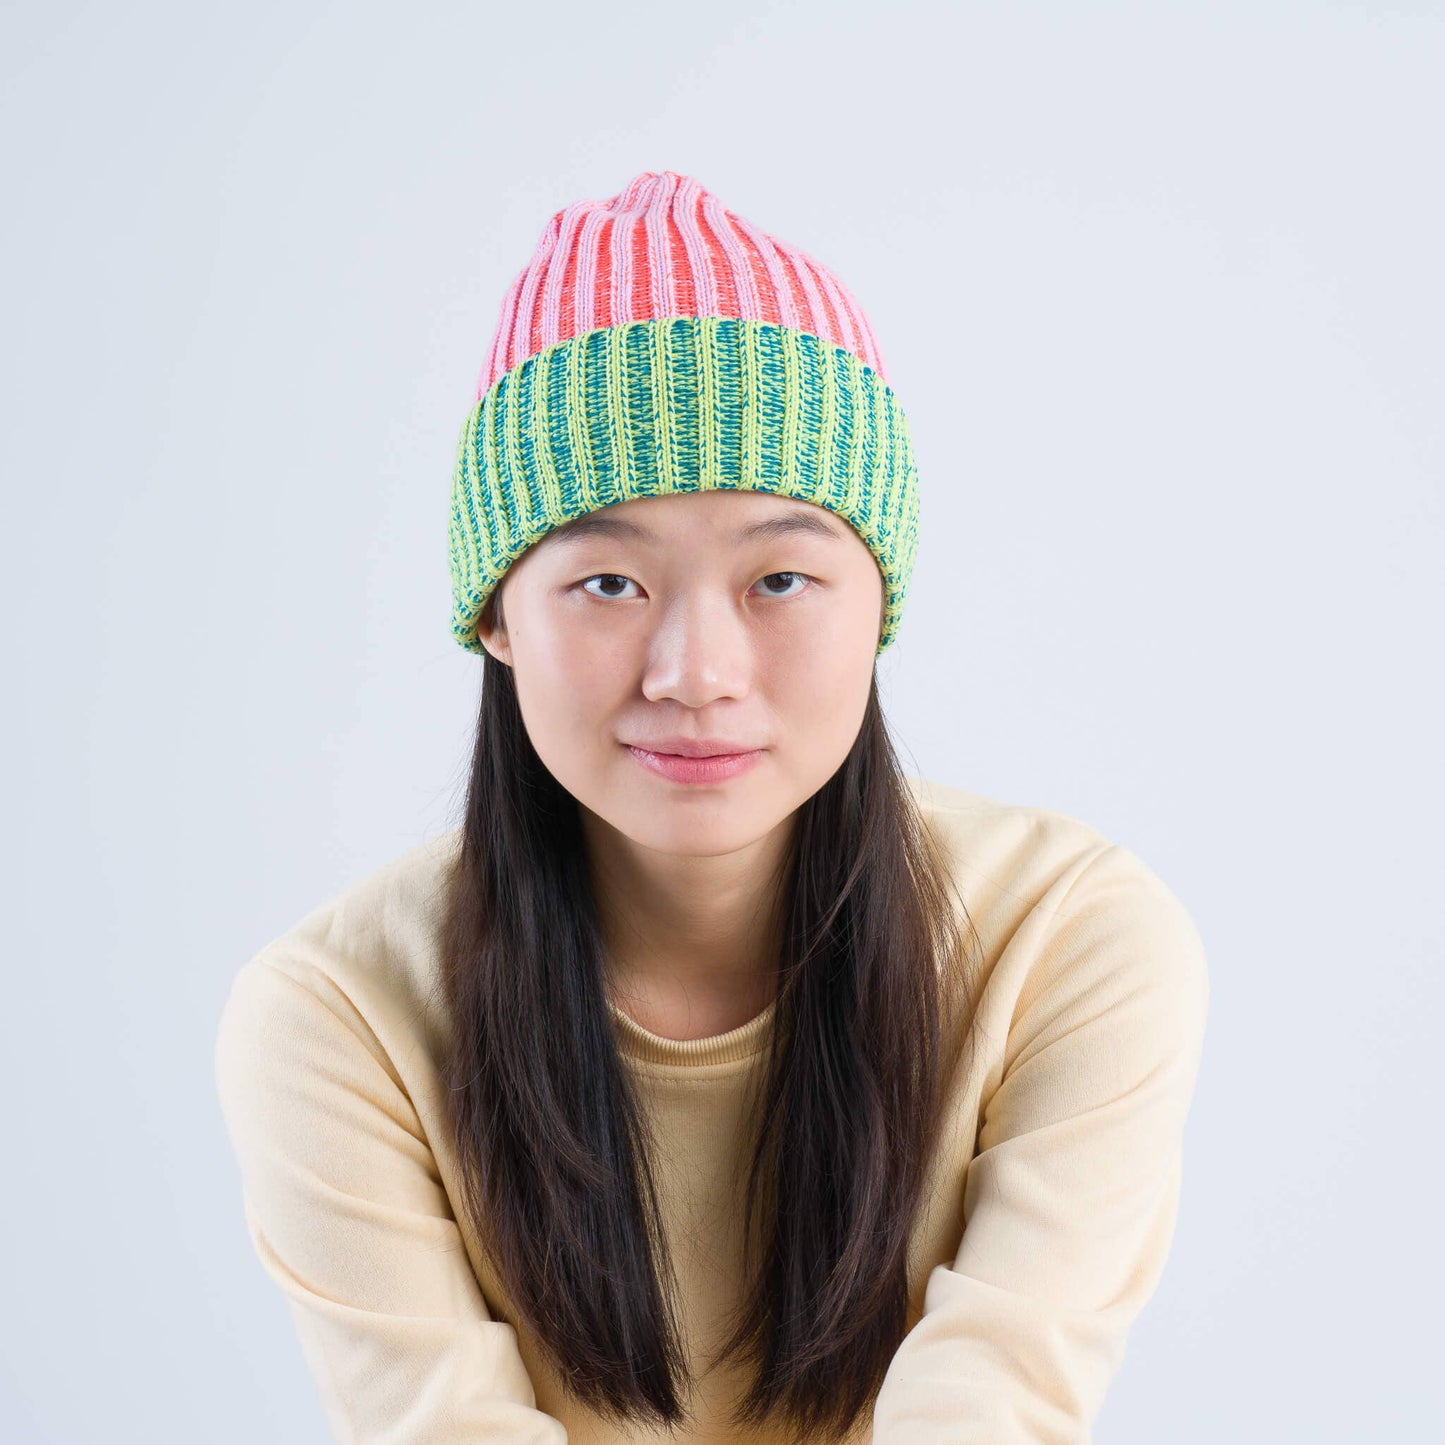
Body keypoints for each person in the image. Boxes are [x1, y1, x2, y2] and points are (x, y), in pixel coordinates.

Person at [214, 169, 1210, 1444]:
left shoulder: (1066, 941)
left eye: (780, 576)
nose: (694, 672)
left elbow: (987, 1408)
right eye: (609, 583)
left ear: (877, 603)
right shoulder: (338, 1016)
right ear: (497, 616)